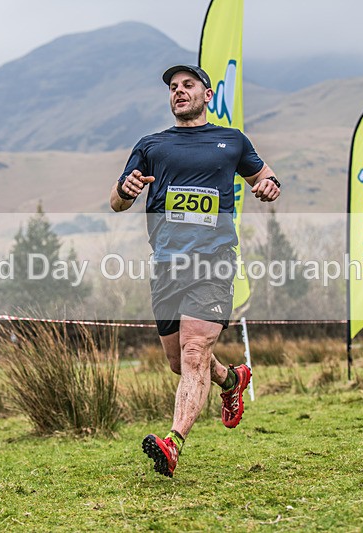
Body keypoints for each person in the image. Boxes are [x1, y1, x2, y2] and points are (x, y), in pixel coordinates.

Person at [110, 64, 280, 477]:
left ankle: (173, 443)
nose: (179, 91)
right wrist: (126, 190)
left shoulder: (231, 141)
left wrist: (268, 186)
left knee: (193, 352)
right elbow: (117, 200)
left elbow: (266, 176)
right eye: (173, 87)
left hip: (214, 260)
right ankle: (232, 379)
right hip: (167, 264)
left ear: (206, 94)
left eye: (188, 85)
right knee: (179, 361)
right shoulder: (151, 145)